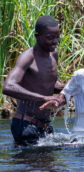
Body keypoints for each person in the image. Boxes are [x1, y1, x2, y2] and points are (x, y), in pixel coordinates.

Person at [2, 15, 64, 146]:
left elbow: (47, 84)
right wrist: (43, 98)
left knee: (49, 165)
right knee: (32, 165)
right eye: (50, 38)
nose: (55, 41)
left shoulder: (53, 54)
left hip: (44, 126)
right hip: (25, 124)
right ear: (37, 36)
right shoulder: (27, 57)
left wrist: (69, 87)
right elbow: (8, 87)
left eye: (57, 37)